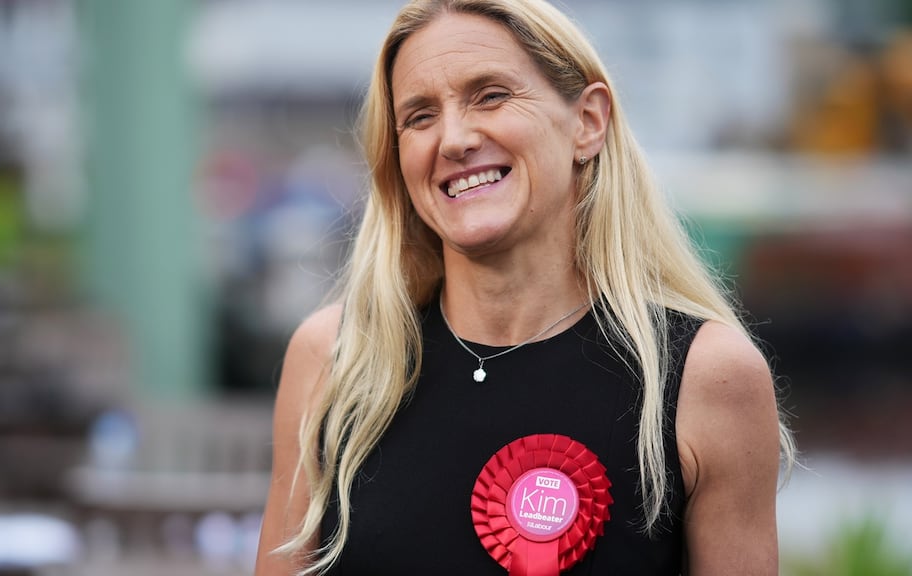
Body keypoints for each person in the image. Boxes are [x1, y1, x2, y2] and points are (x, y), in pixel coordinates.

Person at [255, 0, 795, 574]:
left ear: (588, 122)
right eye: (420, 116)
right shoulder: (334, 358)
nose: (454, 139)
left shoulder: (705, 376)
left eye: (490, 96)